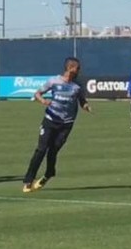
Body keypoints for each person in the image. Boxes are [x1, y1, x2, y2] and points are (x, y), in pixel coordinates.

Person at [22, 57, 90, 193]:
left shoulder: (77, 85)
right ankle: (28, 180)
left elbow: (82, 100)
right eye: (78, 68)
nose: (79, 71)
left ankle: (48, 174)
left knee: (53, 151)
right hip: (50, 120)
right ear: (70, 68)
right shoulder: (54, 81)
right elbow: (37, 93)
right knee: (41, 150)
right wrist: (43, 101)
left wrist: (86, 106)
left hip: (66, 124)